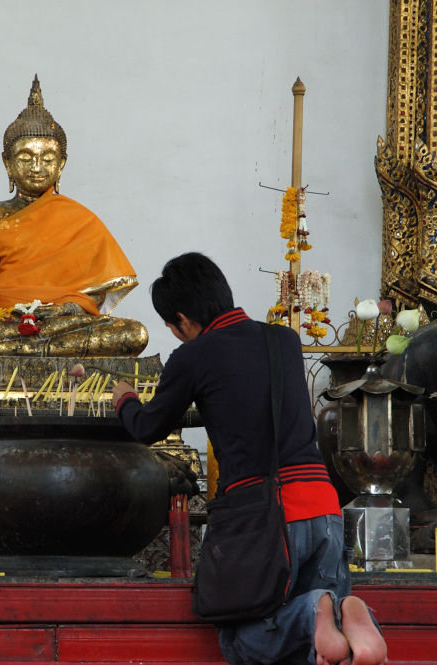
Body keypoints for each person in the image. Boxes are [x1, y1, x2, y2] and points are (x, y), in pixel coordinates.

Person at [113, 253, 387, 665]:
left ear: (183, 320)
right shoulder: (284, 341)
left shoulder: (194, 355)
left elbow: (147, 427)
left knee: (240, 639)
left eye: (172, 328)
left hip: (264, 514)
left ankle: (313, 611)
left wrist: (125, 401)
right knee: (324, 653)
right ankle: (346, 613)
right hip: (323, 505)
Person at [0, 76, 148, 357]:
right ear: (7, 162)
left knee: (133, 334)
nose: (37, 167)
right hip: (4, 317)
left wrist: (63, 310)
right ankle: (34, 349)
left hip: (63, 322)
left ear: (62, 164)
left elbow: (96, 293)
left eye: (48, 158)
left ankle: (11, 351)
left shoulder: (80, 219)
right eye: (26, 157)